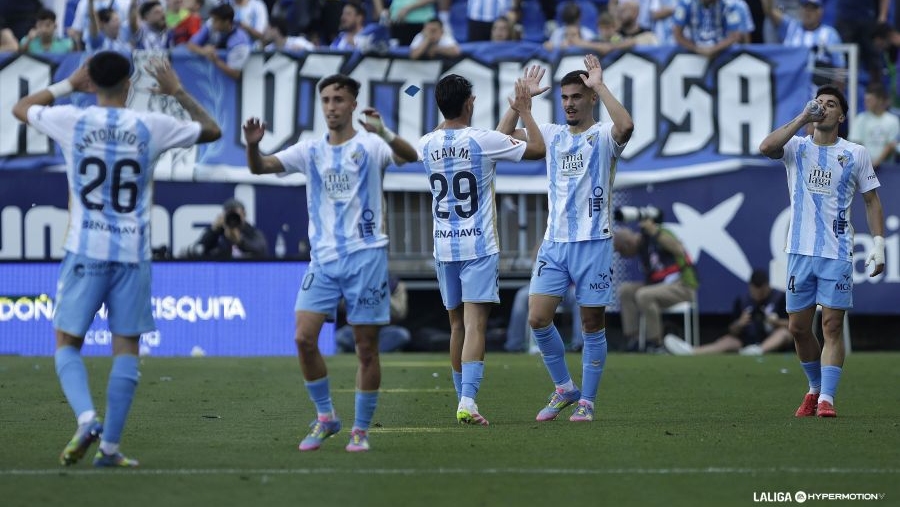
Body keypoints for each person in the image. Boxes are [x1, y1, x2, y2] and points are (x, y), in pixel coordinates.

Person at [12, 51, 221, 467]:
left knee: (66, 343)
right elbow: (212, 130)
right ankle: (109, 447)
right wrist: (177, 91)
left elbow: (22, 108)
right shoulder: (152, 125)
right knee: (126, 347)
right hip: (132, 252)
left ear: (92, 82)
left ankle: (88, 418)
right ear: (129, 84)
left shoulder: (71, 120)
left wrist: (68, 84)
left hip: (84, 249)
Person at [243, 74, 418, 452]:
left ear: (353, 104)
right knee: (303, 338)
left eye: (338, 99)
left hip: (367, 257)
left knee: (365, 348)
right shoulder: (309, 150)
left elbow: (410, 156)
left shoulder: (372, 145)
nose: (331, 107)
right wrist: (253, 147)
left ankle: (360, 429)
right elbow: (260, 168)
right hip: (323, 260)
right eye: (325, 100)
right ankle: (326, 417)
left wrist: (385, 132)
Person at [498, 56, 634, 423]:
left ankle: (587, 401)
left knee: (591, 324)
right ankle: (564, 388)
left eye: (577, 96)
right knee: (537, 318)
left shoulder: (603, 135)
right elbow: (502, 139)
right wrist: (518, 105)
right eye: (565, 97)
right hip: (555, 244)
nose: (570, 103)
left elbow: (626, 125)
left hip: (594, 242)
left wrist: (601, 85)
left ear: (590, 99)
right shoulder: (552, 134)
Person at [419, 74, 545, 426]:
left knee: (457, 327)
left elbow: (495, 140)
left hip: (444, 246)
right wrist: (525, 111)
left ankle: (461, 398)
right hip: (478, 246)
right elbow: (537, 149)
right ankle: (469, 402)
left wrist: (512, 111)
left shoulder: (426, 143)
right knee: (476, 326)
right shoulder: (482, 141)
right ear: (470, 103)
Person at [758, 85, 885, 418]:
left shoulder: (855, 153)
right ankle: (814, 388)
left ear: (841, 115)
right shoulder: (797, 147)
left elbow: (872, 201)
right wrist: (802, 118)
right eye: (821, 103)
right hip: (800, 251)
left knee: (831, 325)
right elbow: (765, 147)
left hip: (837, 251)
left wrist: (879, 244)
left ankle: (827, 398)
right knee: (798, 328)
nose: (825, 108)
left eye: (832, 105)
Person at [615, 215, 699, 353]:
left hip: (682, 286)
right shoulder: (642, 246)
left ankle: (656, 344)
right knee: (626, 290)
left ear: (628, 244)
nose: (623, 256)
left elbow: (678, 249)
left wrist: (654, 231)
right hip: (660, 287)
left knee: (643, 295)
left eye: (622, 251)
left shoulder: (659, 233)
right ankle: (634, 340)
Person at [664, 268, 791, 355]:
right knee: (728, 341)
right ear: (750, 287)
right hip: (747, 341)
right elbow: (731, 330)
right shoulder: (743, 301)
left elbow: (794, 325)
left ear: (767, 285)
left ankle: (759, 350)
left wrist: (776, 322)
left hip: (774, 339)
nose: (758, 294)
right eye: (755, 290)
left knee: (783, 333)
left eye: (761, 291)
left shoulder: (780, 298)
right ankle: (692, 351)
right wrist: (740, 323)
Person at [761, 0, 845, 88]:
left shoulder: (830, 34)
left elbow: (839, 68)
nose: (808, 12)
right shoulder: (790, 27)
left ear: (820, 12)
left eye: (812, 9)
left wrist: (836, 97)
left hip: (817, 93)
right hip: (791, 89)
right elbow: (769, 11)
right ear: (800, 10)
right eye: (805, 8)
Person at [336, 275, 411, 353]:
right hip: (358, 330)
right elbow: (341, 305)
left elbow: (400, 312)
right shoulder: (354, 281)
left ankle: (370, 353)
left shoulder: (395, 284)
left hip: (382, 331)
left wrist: (381, 294)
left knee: (402, 335)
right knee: (341, 335)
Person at [187, 3, 252, 80]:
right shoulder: (211, 24)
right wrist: (203, 51)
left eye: (216, 20)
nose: (213, 23)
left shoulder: (240, 41)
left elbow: (235, 74)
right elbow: (190, 44)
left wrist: (216, 61)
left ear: (227, 22)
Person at [194, 198, 269, 259]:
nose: (233, 219)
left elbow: (261, 250)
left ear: (244, 214)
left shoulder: (251, 232)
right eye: (230, 215)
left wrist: (240, 241)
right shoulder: (218, 233)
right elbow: (199, 249)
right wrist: (213, 230)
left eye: (236, 215)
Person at [672, 0, 751, 58]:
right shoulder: (685, 4)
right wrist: (696, 49)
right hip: (693, 54)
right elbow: (677, 35)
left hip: (723, 53)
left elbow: (735, 35)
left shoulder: (731, 5)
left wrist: (714, 49)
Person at [849, 82, 900, 169]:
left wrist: (876, 162)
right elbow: (855, 143)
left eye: (869, 100)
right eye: (865, 100)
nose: (866, 103)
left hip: (886, 169)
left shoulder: (893, 120)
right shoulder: (860, 119)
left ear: (880, 100)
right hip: (863, 167)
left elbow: (892, 145)